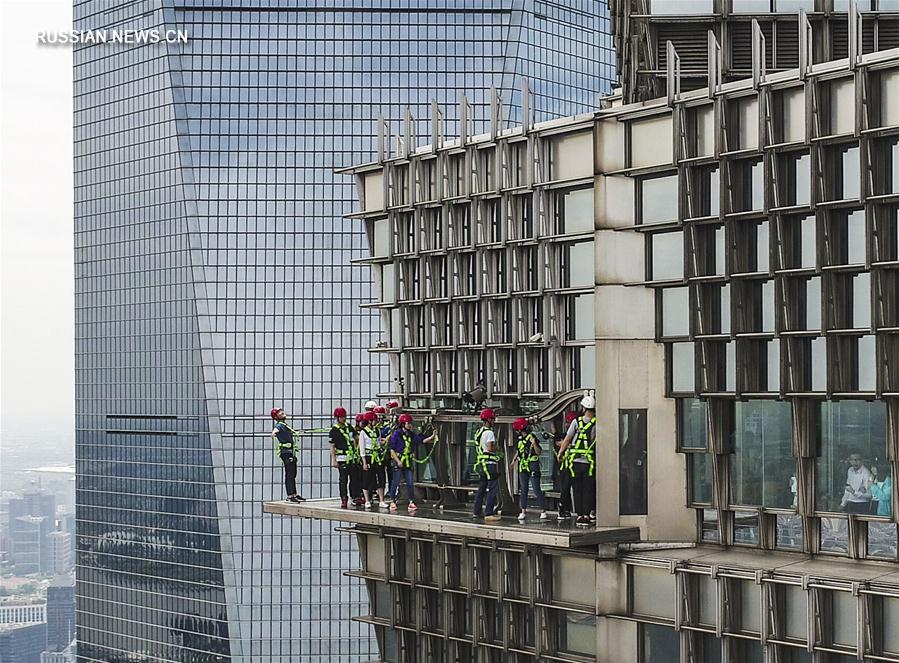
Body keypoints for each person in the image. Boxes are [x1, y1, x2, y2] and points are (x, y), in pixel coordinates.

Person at [557, 395, 597, 526]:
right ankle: (587, 514)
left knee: (577, 489)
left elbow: (568, 439)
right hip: (589, 463)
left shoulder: (576, 422)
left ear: (584, 408)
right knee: (588, 489)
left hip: (575, 462)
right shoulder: (597, 423)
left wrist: (560, 453)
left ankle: (579, 515)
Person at [386, 413, 436, 511]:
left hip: (408, 461)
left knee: (410, 482)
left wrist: (432, 436)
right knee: (395, 482)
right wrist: (398, 461)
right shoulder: (397, 434)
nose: (410, 425)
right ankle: (392, 501)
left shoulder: (411, 435)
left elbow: (421, 441)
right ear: (403, 424)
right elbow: (392, 449)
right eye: (408, 423)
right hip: (399, 461)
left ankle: (411, 502)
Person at [513, 417, 547, 520]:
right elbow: (519, 451)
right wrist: (513, 460)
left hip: (533, 465)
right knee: (523, 489)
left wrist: (534, 443)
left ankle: (543, 510)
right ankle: (523, 510)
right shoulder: (519, 439)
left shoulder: (532, 437)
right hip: (523, 466)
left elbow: (539, 452)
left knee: (536, 489)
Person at [472, 408, 502, 522]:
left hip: (481, 464)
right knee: (492, 488)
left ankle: (476, 511)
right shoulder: (489, 433)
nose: (493, 421)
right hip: (489, 464)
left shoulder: (479, 432)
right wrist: (497, 448)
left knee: (482, 488)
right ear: (488, 420)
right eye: (492, 419)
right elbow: (490, 448)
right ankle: (489, 512)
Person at [271, 408, 304, 503]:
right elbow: (275, 431)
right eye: (279, 413)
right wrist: (274, 433)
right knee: (290, 474)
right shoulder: (280, 425)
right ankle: (290, 495)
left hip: (290, 452)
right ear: (276, 417)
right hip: (286, 452)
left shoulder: (285, 425)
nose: (282, 412)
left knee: (293, 473)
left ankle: (294, 494)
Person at [360, 411, 389, 509]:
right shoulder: (363, 432)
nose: (376, 422)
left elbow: (379, 442)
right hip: (368, 457)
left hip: (378, 457)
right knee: (367, 478)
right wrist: (364, 461)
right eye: (374, 420)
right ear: (369, 421)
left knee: (381, 477)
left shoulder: (377, 431)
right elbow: (362, 448)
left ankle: (381, 500)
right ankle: (367, 500)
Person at [328, 407, 355, 508]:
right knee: (343, 480)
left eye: (345, 416)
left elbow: (355, 439)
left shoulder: (349, 427)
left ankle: (354, 497)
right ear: (337, 418)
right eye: (342, 417)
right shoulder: (334, 430)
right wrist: (333, 460)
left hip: (352, 457)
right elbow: (332, 446)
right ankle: (344, 498)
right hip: (341, 458)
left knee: (354, 478)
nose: (344, 418)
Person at [555, 411, 578, 519]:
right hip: (567, 465)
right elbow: (556, 438)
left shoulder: (575, 435)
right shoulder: (567, 435)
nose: (567, 425)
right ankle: (564, 507)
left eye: (569, 422)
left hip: (572, 465)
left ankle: (567, 508)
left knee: (570, 487)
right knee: (566, 487)